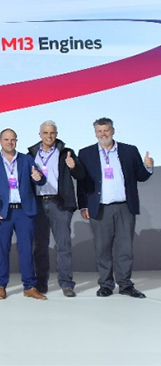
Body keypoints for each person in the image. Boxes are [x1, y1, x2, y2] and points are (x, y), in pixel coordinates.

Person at [76, 117, 153, 298]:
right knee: (102, 248)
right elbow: (82, 183)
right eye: (99, 131)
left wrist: (148, 168)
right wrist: (83, 205)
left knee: (125, 248)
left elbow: (140, 176)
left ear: (113, 131)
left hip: (125, 206)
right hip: (100, 208)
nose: (103, 134)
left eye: (106, 130)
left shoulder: (129, 150)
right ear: (95, 133)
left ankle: (125, 285)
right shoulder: (86, 153)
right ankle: (106, 285)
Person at [0, 129, 47, 300]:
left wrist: (38, 177)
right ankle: (1, 286)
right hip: (2, 212)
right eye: (6, 139)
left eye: (12, 139)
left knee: (26, 250)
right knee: (2, 250)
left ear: (16, 141)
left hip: (24, 212)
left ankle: (29, 286)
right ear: (0, 141)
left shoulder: (26, 159)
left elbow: (40, 179)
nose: (9, 142)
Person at [27, 120, 86, 297]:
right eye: (45, 133)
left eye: (52, 133)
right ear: (40, 135)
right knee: (40, 247)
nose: (49, 136)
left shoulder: (66, 153)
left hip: (59, 203)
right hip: (38, 204)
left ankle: (67, 284)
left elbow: (81, 175)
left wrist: (73, 166)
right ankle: (41, 284)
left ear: (56, 134)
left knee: (63, 245)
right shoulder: (30, 155)